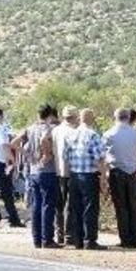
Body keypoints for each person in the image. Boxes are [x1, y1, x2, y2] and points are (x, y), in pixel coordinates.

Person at [11, 104, 58, 248]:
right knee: (48, 205)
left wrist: (27, 155)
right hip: (47, 171)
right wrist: (47, 155)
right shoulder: (48, 128)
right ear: (49, 115)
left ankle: (37, 239)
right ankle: (47, 239)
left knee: (36, 205)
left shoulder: (30, 128)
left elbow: (14, 143)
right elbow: (44, 139)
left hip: (33, 171)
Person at [63, 108, 106, 250]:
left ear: (80, 119)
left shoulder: (71, 134)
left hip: (74, 175)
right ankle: (90, 240)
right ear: (92, 119)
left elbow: (66, 157)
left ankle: (78, 240)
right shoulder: (93, 135)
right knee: (90, 208)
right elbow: (100, 158)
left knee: (76, 208)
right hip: (89, 175)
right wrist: (104, 178)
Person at [103, 107, 136, 248]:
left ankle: (125, 239)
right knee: (134, 205)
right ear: (128, 117)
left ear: (115, 117)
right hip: (133, 173)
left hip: (117, 172)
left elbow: (103, 155)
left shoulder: (109, 134)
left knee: (121, 207)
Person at [51, 105, 78, 245]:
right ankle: (69, 235)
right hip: (71, 171)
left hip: (57, 171)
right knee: (70, 205)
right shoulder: (74, 131)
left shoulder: (55, 130)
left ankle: (59, 234)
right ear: (75, 117)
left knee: (59, 205)